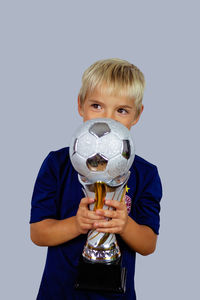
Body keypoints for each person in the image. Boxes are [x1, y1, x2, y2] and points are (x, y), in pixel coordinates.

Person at [30, 58, 162, 299]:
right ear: (80, 105)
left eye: (121, 110)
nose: (107, 120)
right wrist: (76, 224)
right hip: (58, 294)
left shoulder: (146, 173)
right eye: (97, 106)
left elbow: (148, 244)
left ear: (137, 115)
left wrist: (126, 226)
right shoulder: (56, 164)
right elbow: (38, 233)